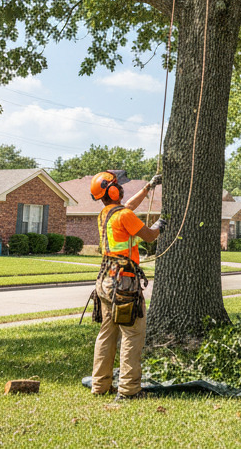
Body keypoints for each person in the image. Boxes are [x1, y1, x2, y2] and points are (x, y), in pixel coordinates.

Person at [89, 170, 162, 401]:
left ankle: (100, 385)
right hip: (124, 282)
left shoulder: (105, 214)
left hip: (105, 279)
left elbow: (127, 206)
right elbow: (149, 236)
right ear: (111, 190)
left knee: (107, 333)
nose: (121, 188)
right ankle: (129, 390)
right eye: (118, 185)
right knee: (133, 332)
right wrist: (162, 224)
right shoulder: (124, 216)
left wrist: (148, 187)